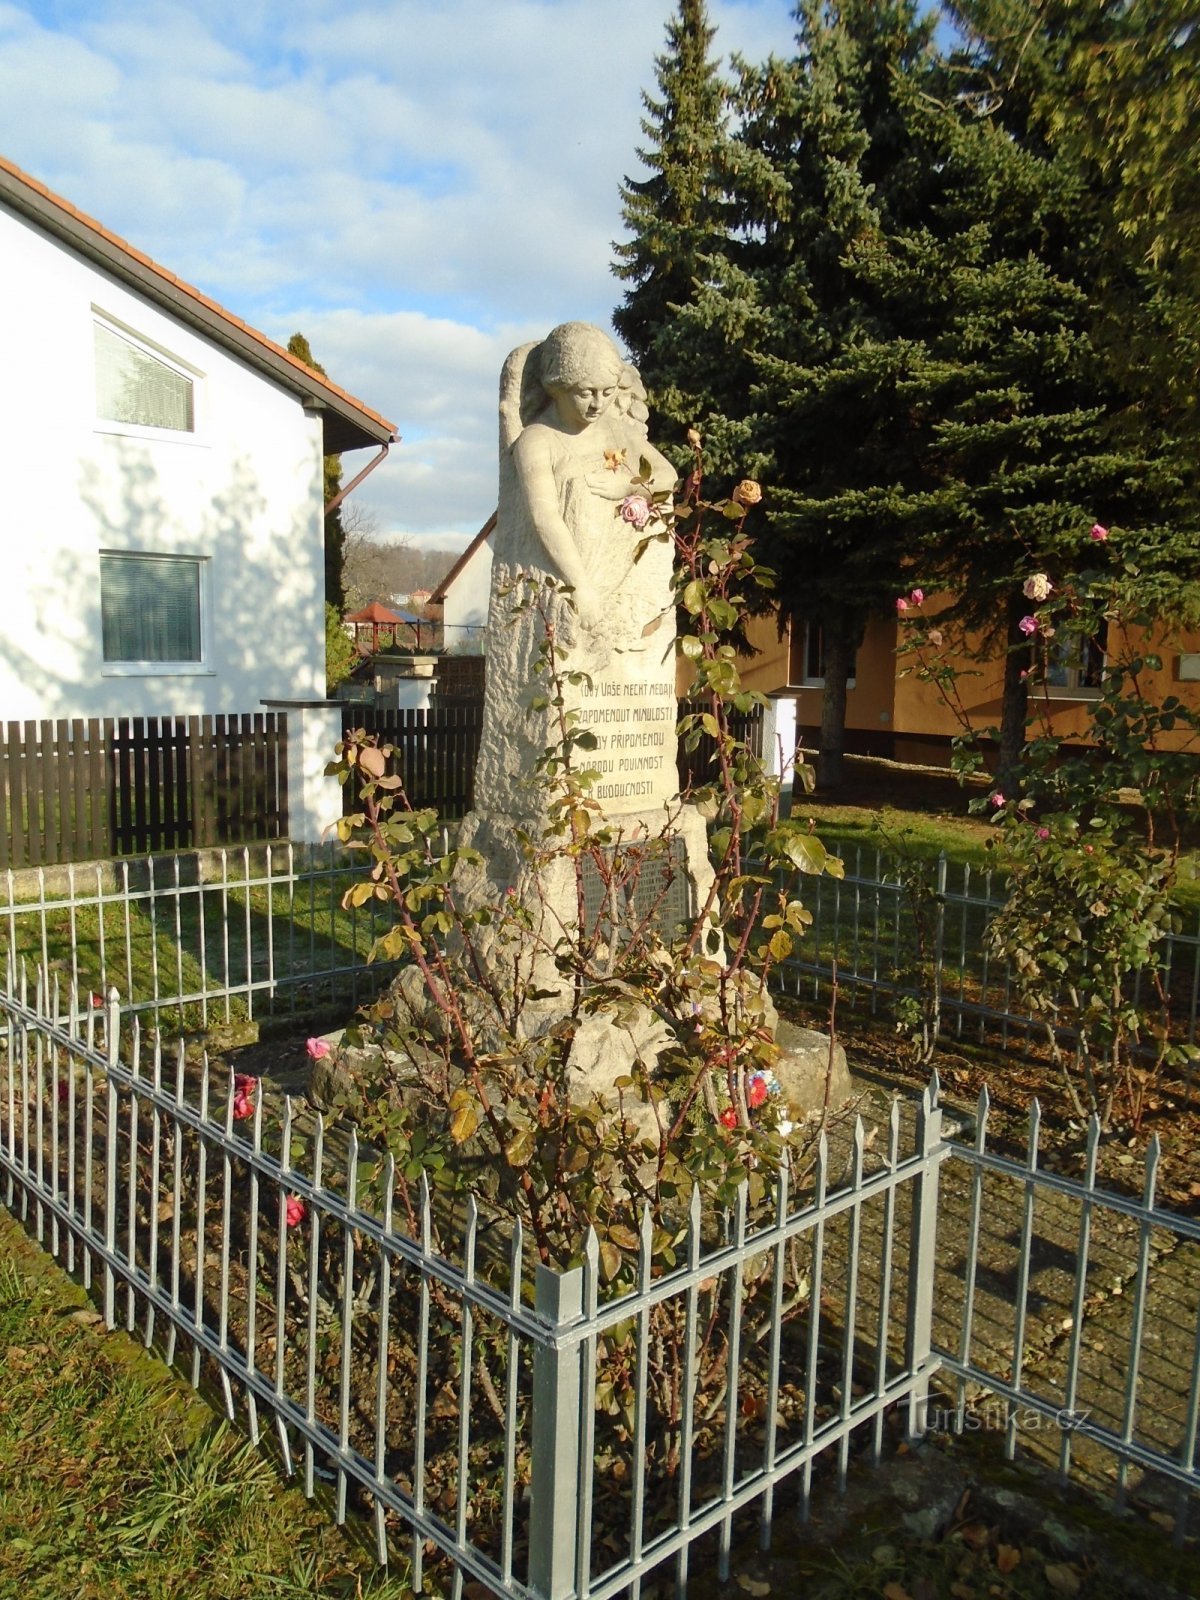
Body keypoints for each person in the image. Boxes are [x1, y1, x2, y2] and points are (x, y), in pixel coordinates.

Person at [474, 323, 679, 817]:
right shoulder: (537, 442)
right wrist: (581, 587)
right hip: (575, 574)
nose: (596, 403)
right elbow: (544, 517)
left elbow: (667, 476)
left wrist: (629, 491)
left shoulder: (614, 430)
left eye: (607, 393)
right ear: (556, 386)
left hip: (623, 572)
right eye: (586, 392)